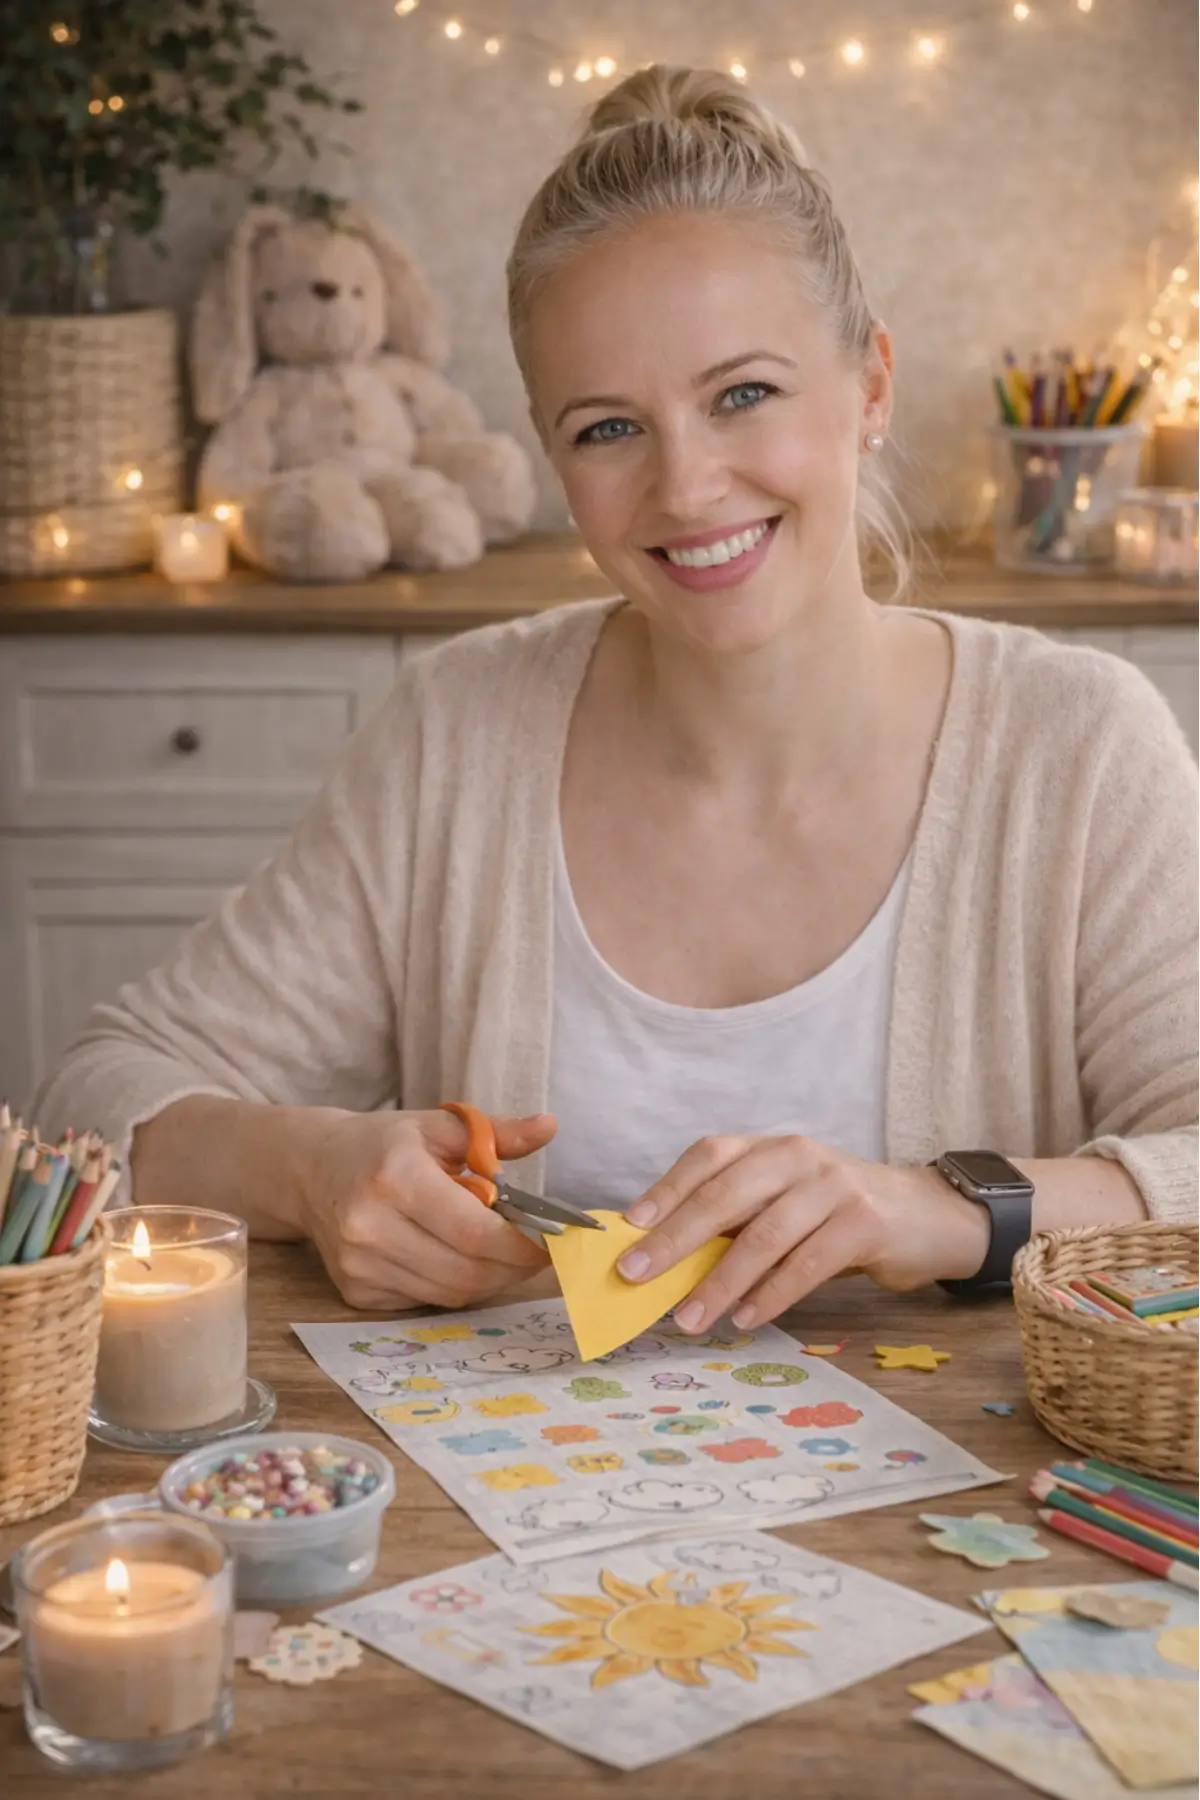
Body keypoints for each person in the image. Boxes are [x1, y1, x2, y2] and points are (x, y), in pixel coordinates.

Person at [35, 66, 1197, 1335]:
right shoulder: (455, 733)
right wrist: (311, 1168)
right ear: (551, 452)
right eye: (607, 429)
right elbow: (93, 1100)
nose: (686, 488)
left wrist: (947, 1209)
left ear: (871, 385)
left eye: (743, 394)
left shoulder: (1079, 746)